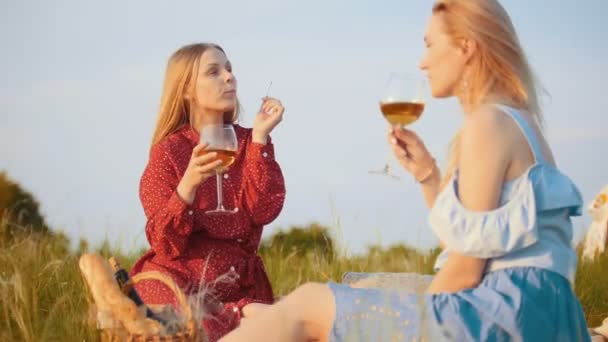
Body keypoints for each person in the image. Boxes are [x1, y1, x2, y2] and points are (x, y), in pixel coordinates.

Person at [219, 1, 591, 341]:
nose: (422, 62)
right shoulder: (520, 120)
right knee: (361, 291)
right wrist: (428, 175)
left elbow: (464, 272)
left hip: (503, 315)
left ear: (466, 46)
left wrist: (407, 321)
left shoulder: (487, 123)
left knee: (308, 303)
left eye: (429, 44)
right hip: (545, 312)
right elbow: (471, 246)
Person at [129, 43, 286, 341]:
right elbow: (165, 243)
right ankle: (239, 315)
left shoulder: (249, 141)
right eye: (214, 72)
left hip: (236, 284)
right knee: (187, 322)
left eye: (229, 69)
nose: (229, 77)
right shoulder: (168, 151)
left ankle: (239, 312)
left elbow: (266, 209)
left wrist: (261, 137)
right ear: (186, 89)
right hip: (179, 281)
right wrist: (188, 184)